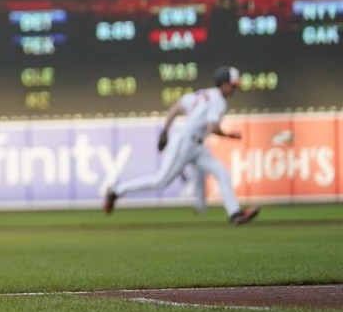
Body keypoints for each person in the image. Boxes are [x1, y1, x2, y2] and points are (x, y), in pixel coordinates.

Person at [103, 66, 260, 226]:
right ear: (223, 83)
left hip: (198, 146)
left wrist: (165, 131)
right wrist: (229, 135)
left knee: (222, 173)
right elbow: (212, 128)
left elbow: (176, 107)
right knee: (160, 181)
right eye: (233, 85)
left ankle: (235, 214)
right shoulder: (219, 101)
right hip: (185, 143)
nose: (234, 89)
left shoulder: (204, 94)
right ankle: (116, 191)